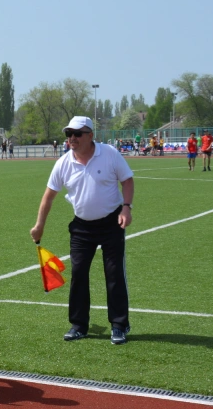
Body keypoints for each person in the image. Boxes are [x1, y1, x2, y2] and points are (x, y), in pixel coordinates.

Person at [29, 116, 135, 345]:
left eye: (77, 134)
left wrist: (126, 208)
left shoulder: (109, 154)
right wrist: (39, 226)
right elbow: (48, 197)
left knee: (114, 274)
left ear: (90, 135)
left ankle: (119, 325)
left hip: (111, 223)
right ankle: (79, 325)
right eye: (69, 134)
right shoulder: (63, 163)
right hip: (81, 227)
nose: (72, 138)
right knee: (78, 275)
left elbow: (127, 180)